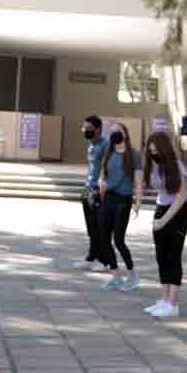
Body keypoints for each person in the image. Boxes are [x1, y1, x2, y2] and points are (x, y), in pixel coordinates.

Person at [137, 131, 187, 318]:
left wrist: (164, 220)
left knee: (173, 256)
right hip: (161, 209)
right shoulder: (154, 166)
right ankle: (164, 298)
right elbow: (147, 186)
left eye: (156, 150)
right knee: (161, 256)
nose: (153, 154)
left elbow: (181, 196)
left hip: (178, 212)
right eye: (150, 151)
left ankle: (173, 303)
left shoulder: (177, 166)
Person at [96, 121, 140, 291]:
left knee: (119, 240)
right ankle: (116, 275)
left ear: (125, 134)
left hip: (124, 199)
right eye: (112, 131)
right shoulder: (108, 153)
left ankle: (133, 274)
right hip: (108, 198)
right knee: (103, 238)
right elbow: (102, 175)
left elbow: (137, 180)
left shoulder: (133, 154)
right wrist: (101, 183)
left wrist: (138, 202)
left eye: (118, 131)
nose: (115, 133)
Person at [73, 115, 108, 270]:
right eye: (84, 129)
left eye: (89, 129)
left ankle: (104, 259)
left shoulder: (106, 145)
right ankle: (92, 255)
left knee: (99, 225)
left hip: (98, 190)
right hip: (88, 189)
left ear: (98, 129)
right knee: (90, 226)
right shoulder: (91, 146)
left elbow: (106, 169)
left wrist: (101, 189)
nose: (86, 131)